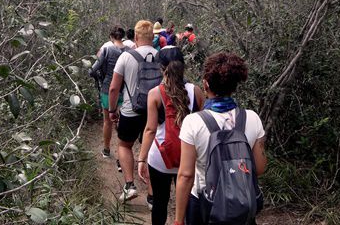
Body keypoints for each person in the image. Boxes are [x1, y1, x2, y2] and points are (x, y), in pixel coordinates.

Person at [174, 52, 267, 225]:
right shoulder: (252, 118)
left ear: (206, 84)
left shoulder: (193, 122)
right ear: (234, 86)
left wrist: (179, 219)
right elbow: (259, 168)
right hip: (241, 202)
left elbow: (186, 175)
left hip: (203, 203)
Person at [137, 46, 204, 225]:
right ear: (183, 67)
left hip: (160, 157)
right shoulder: (196, 91)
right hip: (188, 158)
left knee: (160, 202)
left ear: (162, 68)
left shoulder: (155, 94)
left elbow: (150, 129)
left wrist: (141, 159)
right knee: (188, 201)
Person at [108, 20, 158, 202]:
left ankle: (130, 185)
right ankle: (153, 197)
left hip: (131, 110)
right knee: (151, 150)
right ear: (153, 37)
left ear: (136, 37)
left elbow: (114, 88)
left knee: (124, 145)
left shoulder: (126, 57)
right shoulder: (161, 57)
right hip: (155, 113)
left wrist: (112, 110)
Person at [89, 26, 126, 158]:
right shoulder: (129, 51)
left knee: (107, 121)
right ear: (122, 37)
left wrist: (98, 77)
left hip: (107, 89)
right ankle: (122, 151)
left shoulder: (107, 49)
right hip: (124, 91)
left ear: (111, 37)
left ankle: (106, 150)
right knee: (122, 121)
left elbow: (93, 70)